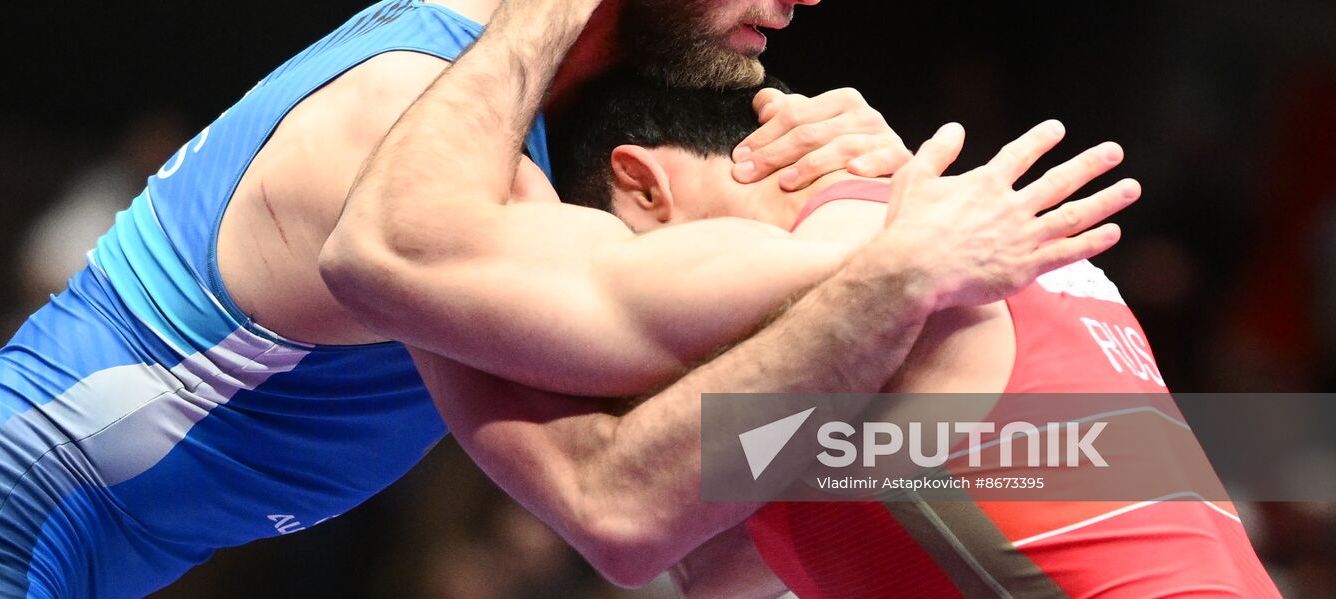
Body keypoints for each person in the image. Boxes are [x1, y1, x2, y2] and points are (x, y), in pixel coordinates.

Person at [0, 0, 1124, 597]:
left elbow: (724, 488)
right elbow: (606, 495)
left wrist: (853, 196)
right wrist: (902, 250)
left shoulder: (576, 98)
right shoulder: (413, 109)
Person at [542, 71, 1279, 598]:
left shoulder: (835, 258)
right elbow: (720, 571)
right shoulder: (976, 245)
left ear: (643, 187)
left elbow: (615, 507)